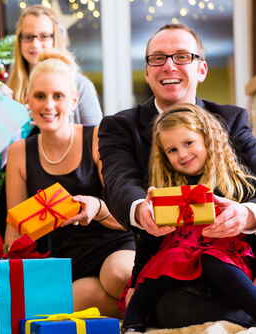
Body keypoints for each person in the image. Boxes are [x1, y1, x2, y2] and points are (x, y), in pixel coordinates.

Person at [98, 23, 256, 328]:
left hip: (235, 255)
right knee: (176, 309)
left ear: (202, 69)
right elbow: (120, 183)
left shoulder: (232, 119)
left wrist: (247, 215)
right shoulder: (119, 126)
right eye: (157, 58)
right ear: (147, 72)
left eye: (182, 56)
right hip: (174, 262)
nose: (169, 65)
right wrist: (141, 209)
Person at [4, 49, 135, 318]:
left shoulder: (98, 137)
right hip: (67, 260)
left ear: (74, 100)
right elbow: (14, 228)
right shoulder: (19, 152)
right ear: (28, 100)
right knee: (77, 301)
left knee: (117, 276)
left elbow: (127, 216)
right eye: (40, 96)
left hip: (115, 243)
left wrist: (97, 207)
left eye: (58, 96)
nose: (48, 106)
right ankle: (149, 313)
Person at [120, 104, 256, 333]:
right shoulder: (166, 192)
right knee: (167, 258)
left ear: (207, 139)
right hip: (178, 256)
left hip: (225, 255)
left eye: (188, 143)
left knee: (212, 259)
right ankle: (133, 321)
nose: (182, 154)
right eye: (172, 150)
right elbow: (147, 241)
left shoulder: (238, 184)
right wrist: (135, 282)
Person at [0, 4, 103, 160]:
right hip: (22, 176)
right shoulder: (8, 89)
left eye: (44, 36)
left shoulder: (80, 85)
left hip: (70, 176)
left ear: (55, 38)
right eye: (28, 37)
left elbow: (99, 142)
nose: (35, 44)